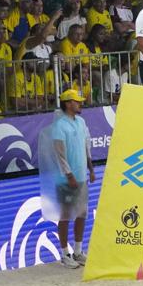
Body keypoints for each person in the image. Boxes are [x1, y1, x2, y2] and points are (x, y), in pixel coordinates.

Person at [48, 88, 96, 269]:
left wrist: (91, 169)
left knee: (82, 214)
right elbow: (59, 154)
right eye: (77, 101)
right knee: (66, 215)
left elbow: (87, 147)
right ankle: (64, 254)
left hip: (81, 176)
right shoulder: (60, 126)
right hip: (66, 180)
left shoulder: (81, 122)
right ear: (68, 104)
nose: (80, 103)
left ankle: (78, 251)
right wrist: (69, 176)